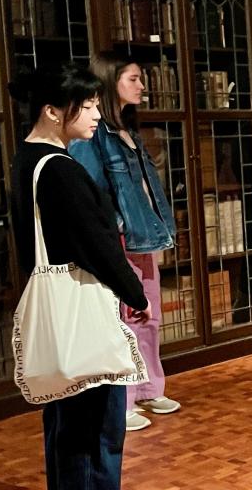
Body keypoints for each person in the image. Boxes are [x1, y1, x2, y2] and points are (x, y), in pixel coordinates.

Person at [8, 63, 155, 490]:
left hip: (52, 305)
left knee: (65, 417)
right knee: (96, 415)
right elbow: (97, 243)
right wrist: (134, 296)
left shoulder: (27, 159)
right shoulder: (62, 171)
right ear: (54, 111)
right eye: (87, 106)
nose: (96, 114)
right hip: (80, 303)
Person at [70, 52, 179, 432]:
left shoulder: (128, 130)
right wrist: (112, 232)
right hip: (118, 238)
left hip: (143, 235)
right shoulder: (92, 134)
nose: (141, 85)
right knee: (123, 319)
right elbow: (91, 190)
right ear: (111, 79)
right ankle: (125, 397)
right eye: (133, 78)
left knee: (149, 315)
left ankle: (150, 387)